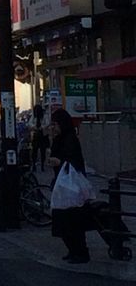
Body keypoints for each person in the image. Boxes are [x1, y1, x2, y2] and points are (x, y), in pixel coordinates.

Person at [49, 108, 91, 264]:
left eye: (55, 124)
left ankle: (80, 252)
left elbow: (72, 160)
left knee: (72, 220)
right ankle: (73, 250)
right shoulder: (60, 138)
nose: (53, 127)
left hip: (71, 186)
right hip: (62, 185)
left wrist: (58, 161)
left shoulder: (70, 139)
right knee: (64, 221)